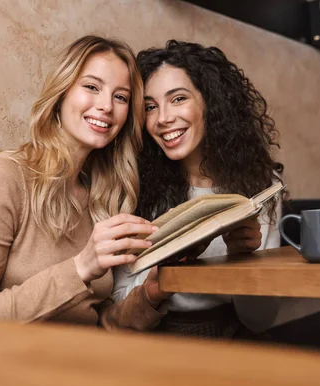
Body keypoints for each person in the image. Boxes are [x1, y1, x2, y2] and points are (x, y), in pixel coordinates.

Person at [0, 35, 167, 331]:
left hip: (82, 364)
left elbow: (98, 322)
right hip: (9, 369)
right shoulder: (0, 177)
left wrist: (150, 296)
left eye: (120, 97)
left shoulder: (100, 195)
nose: (106, 106)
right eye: (91, 87)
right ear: (61, 93)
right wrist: (80, 268)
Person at [112, 40, 285, 338]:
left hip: (235, 338)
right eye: (150, 107)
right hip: (155, 341)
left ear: (211, 103)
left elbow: (260, 321)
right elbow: (118, 311)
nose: (163, 118)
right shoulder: (131, 186)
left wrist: (241, 258)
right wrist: (164, 278)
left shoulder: (260, 185)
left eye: (178, 99)